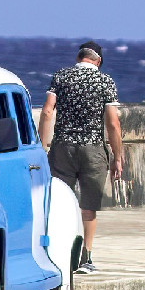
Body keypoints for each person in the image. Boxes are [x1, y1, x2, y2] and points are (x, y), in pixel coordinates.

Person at [38, 41, 123, 274]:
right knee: (88, 207)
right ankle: (86, 258)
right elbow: (113, 124)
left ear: (79, 58)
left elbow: (47, 111)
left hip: (63, 148)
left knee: (59, 204)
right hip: (93, 149)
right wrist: (118, 156)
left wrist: (41, 146)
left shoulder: (61, 77)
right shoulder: (105, 81)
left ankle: (59, 253)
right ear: (98, 61)